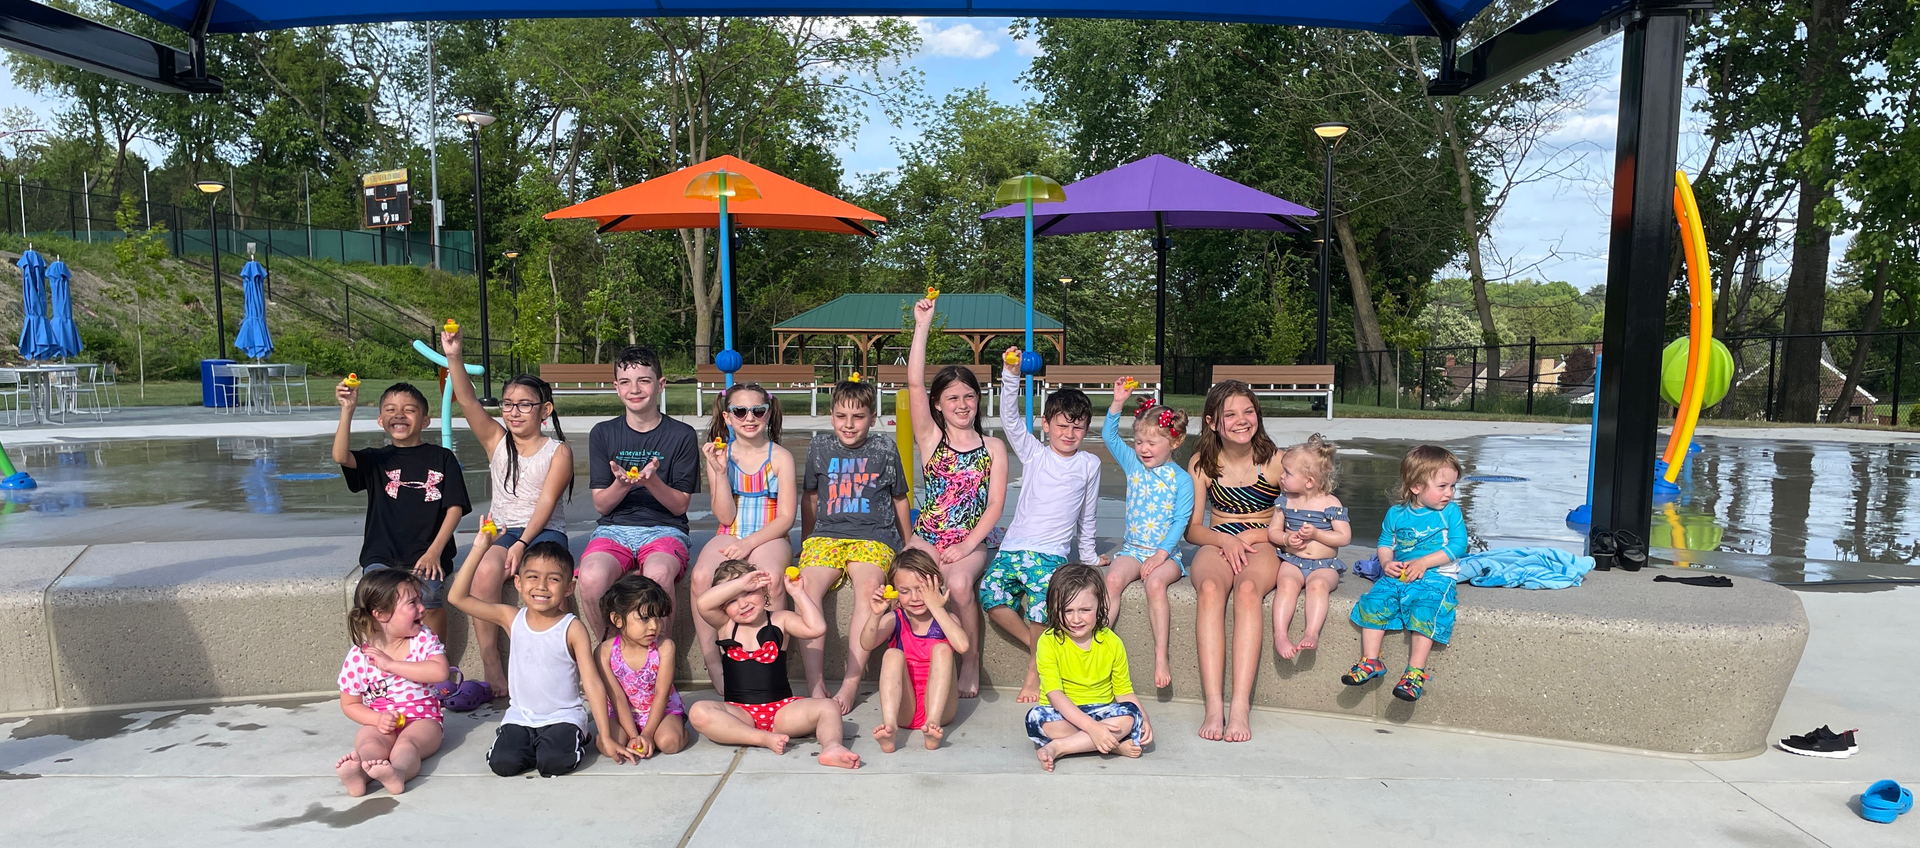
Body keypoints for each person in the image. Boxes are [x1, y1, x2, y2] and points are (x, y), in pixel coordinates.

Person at [441, 326, 573, 704]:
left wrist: (522, 543)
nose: (514, 412)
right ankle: (491, 664)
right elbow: (467, 402)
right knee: (484, 571)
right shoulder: (496, 441)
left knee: (545, 577)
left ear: (545, 410)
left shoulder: (557, 452)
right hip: (501, 529)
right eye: (509, 404)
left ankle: (554, 662)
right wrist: (454, 356)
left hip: (543, 531)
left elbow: (546, 505)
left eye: (525, 404)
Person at [448, 527, 629, 777]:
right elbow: (457, 597)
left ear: (569, 587)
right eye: (532, 577)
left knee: (553, 764)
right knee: (503, 765)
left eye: (554, 579)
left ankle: (575, 737)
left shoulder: (572, 628)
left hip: (563, 717)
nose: (542, 586)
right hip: (521, 717)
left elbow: (592, 682)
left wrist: (605, 736)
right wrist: (480, 547)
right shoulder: (511, 618)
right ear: (518, 583)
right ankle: (532, 743)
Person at [983, 347, 1103, 704]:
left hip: (1050, 554)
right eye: (1062, 425)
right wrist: (1010, 373)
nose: (1069, 433)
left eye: (1077, 427)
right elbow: (1009, 418)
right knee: (990, 596)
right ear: (1046, 425)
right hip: (1014, 547)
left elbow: (1089, 515)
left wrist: (1090, 556)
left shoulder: (1089, 465)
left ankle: (1035, 670)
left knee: (1039, 606)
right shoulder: (1035, 453)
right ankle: (1041, 644)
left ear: (1086, 429)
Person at [902, 296, 1008, 698]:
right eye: (952, 398)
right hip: (929, 534)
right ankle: (914, 654)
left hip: (973, 537)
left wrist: (966, 545)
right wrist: (922, 325)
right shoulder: (931, 439)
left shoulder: (993, 447)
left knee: (960, 585)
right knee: (906, 576)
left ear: (978, 400)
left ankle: (970, 661)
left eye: (969, 396)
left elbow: (995, 505)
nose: (962, 405)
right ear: (938, 405)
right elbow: (914, 381)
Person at [797, 377, 911, 714]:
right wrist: (806, 543)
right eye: (841, 416)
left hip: (873, 535)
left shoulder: (884, 449)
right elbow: (811, 497)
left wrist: (908, 543)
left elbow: (900, 498)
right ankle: (815, 681)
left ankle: (851, 681)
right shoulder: (819, 447)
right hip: (827, 535)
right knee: (804, 588)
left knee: (868, 591)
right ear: (831, 416)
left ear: (873, 418)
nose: (849, 424)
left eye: (858, 417)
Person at [687, 560, 862, 769]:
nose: (743, 604)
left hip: (781, 713)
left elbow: (816, 628)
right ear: (723, 606)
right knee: (698, 711)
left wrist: (798, 594)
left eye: (749, 593)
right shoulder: (726, 625)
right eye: (732, 600)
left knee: (829, 706)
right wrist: (743, 584)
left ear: (763, 589)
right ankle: (760, 738)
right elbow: (702, 604)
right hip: (739, 714)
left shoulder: (781, 620)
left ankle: (832, 747)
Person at [1184, 380, 1284, 743]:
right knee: (1210, 589)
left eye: (1248, 411)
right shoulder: (1204, 464)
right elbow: (1194, 529)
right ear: (1212, 422)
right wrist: (1225, 539)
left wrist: (1254, 536)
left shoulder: (1276, 461)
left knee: (1247, 591)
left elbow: (1298, 514)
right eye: (1230, 414)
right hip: (1218, 540)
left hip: (1262, 542)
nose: (1242, 420)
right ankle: (1214, 705)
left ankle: (1239, 706)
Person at [333, 379, 471, 641]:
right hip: (382, 555)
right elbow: (341, 456)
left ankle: (436, 665)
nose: (399, 414)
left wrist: (434, 552)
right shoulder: (377, 459)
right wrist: (347, 409)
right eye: (390, 409)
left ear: (425, 421)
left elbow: (454, 508)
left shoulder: (442, 458)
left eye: (409, 409)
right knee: (372, 601)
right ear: (380, 419)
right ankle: (380, 665)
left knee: (428, 599)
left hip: (427, 554)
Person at [580, 345, 700, 632]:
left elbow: (680, 506)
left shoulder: (682, 435)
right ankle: (609, 651)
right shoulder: (603, 433)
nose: (634, 389)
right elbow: (601, 505)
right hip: (613, 529)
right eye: (625, 382)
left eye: (644, 380)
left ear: (660, 385)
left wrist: (652, 482)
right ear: (616, 388)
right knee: (591, 576)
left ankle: (660, 656)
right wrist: (621, 485)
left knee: (658, 573)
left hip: (665, 529)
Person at [689, 382, 798, 695]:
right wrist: (720, 473)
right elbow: (724, 517)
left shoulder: (780, 457)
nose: (749, 417)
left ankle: (774, 664)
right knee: (700, 577)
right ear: (727, 416)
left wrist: (749, 545)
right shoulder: (720, 455)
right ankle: (718, 668)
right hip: (731, 532)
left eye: (757, 410)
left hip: (770, 534)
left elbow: (786, 518)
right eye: (740, 410)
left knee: (772, 579)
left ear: (767, 414)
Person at [1343, 445, 1468, 703]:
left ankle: (1415, 672)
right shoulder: (1396, 514)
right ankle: (1370, 661)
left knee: (1426, 608)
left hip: (1437, 575)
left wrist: (1424, 563)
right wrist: (1386, 562)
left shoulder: (1449, 512)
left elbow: (1458, 545)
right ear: (1416, 487)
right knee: (1374, 602)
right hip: (1400, 574)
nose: (1450, 493)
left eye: (1452, 486)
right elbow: (1385, 542)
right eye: (1443, 486)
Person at [1098, 382, 1194, 689]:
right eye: (1139, 442)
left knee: (1154, 584)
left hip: (1166, 555)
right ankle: (1099, 643)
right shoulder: (1134, 466)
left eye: (1152, 443)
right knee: (1111, 580)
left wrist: (1161, 554)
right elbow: (1108, 437)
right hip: (1133, 549)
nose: (1143, 449)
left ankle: (1160, 655)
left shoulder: (1181, 480)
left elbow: (1180, 522)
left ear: (1174, 442)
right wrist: (1116, 404)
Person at [1025, 563, 1152, 772]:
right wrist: (1092, 728)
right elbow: (1055, 695)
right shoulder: (1048, 642)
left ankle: (1061, 747)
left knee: (1131, 715)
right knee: (1035, 718)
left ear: (1100, 605)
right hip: (1063, 714)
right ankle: (1111, 745)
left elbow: (1124, 691)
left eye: (1085, 610)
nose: (1076, 619)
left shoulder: (1112, 642)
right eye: (1067, 610)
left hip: (1102, 711)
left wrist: (1144, 720)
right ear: (1054, 609)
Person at [334, 569, 450, 796]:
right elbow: (350, 703)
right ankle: (360, 774)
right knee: (369, 743)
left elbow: (440, 671)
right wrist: (377, 719)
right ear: (381, 614)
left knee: (408, 745)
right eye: (412, 603)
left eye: (420, 600)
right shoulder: (360, 656)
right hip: (381, 722)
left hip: (423, 720)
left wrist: (390, 665)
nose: (422, 608)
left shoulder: (422, 639)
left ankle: (397, 772)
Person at [858, 548, 969, 752]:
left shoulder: (945, 620)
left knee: (943, 650)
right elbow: (866, 643)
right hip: (904, 708)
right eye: (905, 591)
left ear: (936, 585)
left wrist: (937, 607)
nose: (915, 597)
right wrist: (875, 615)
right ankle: (890, 727)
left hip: (940, 708)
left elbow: (962, 646)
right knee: (892, 653)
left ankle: (931, 728)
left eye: (921, 589)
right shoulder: (896, 619)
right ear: (895, 592)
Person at [1268, 434, 1351, 660]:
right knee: (1285, 583)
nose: (1281, 477)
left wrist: (1316, 534)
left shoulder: (1330, 503)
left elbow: (1344, 537)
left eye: (1287, 473)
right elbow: (1273, 532)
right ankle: (1280, 634)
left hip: (1324, 565)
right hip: (1293, 561)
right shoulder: (1284, 501)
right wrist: (1286, 539)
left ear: (1309, 482)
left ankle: (1311, 633)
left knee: (1318, 586)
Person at [595, 574, 688, 759]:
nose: (654, 626)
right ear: (617, 619)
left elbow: (662, 693)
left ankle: (680, 731)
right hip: (621, 713)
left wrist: (647, 734)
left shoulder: (664, 647)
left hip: (661, 710)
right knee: (611, 746)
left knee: (669, 743)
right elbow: (617, 697)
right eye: (645, 618)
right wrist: (632, 735)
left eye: (658, 618)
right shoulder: (604, 652)